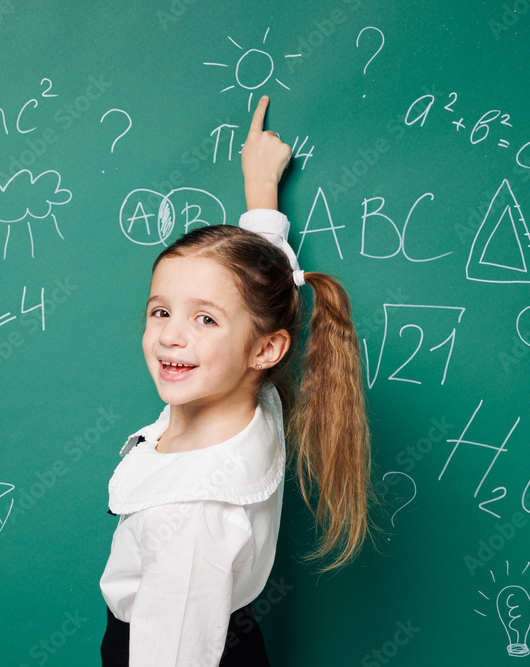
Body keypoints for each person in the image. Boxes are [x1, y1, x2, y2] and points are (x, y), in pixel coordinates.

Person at [99, 95, 376, 666]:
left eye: (204, 319)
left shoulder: (191, 516)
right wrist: (261, 197)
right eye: (160, 311)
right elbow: (264, 288)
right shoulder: (257, 401)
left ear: (264, 349)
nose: (172, 336)